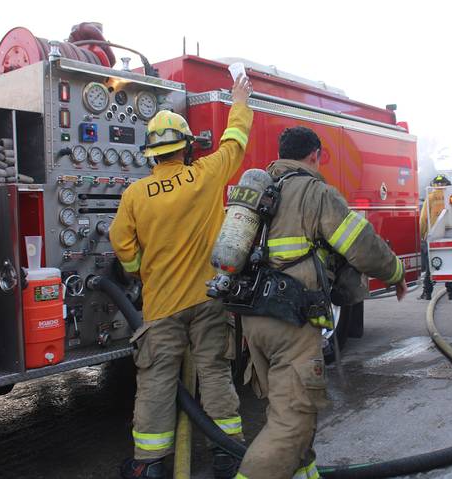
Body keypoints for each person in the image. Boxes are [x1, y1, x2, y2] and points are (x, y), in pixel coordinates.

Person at [236, 126, 408, 479]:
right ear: (315, 155)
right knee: (292, 420)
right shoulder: (316, 193)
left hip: (253, 318)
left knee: (292, 408)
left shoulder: (259, 189)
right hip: (292, 318)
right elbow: (362, 245)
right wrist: (396, 272)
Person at [110, 74, 253, 479]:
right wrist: (239, 100)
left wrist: (141, 270)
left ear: (151, 154)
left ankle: (149, 464)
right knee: (215, 371)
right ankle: (227, 454)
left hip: (162, 305)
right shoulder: (206, 174)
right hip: (209, 299)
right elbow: (235, 140)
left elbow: (121, 244)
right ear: (187, 147)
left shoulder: (135, 195)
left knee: (157, 378)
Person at [418, 174, 452, 300]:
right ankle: (451, 293)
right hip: (450, 234)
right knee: (450, 264)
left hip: (433, 235)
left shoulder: (430, 197)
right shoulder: (451, 196)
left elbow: (424, 218)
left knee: (430, 266)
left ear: (433, 185)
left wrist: (422, 234)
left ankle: (427, 293)